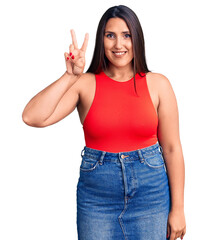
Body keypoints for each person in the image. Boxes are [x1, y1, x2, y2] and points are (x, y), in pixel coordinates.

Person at [22, 5, 186, 240]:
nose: (119, 45)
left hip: (151, 195)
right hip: (97, 198)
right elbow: (32, 117)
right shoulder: (84, 84)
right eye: (110, 35)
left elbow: (172, 148)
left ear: (136, 39)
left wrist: (178, 209)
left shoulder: (158, 84)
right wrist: (70, 76)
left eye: (126, 35)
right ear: (102, 40)